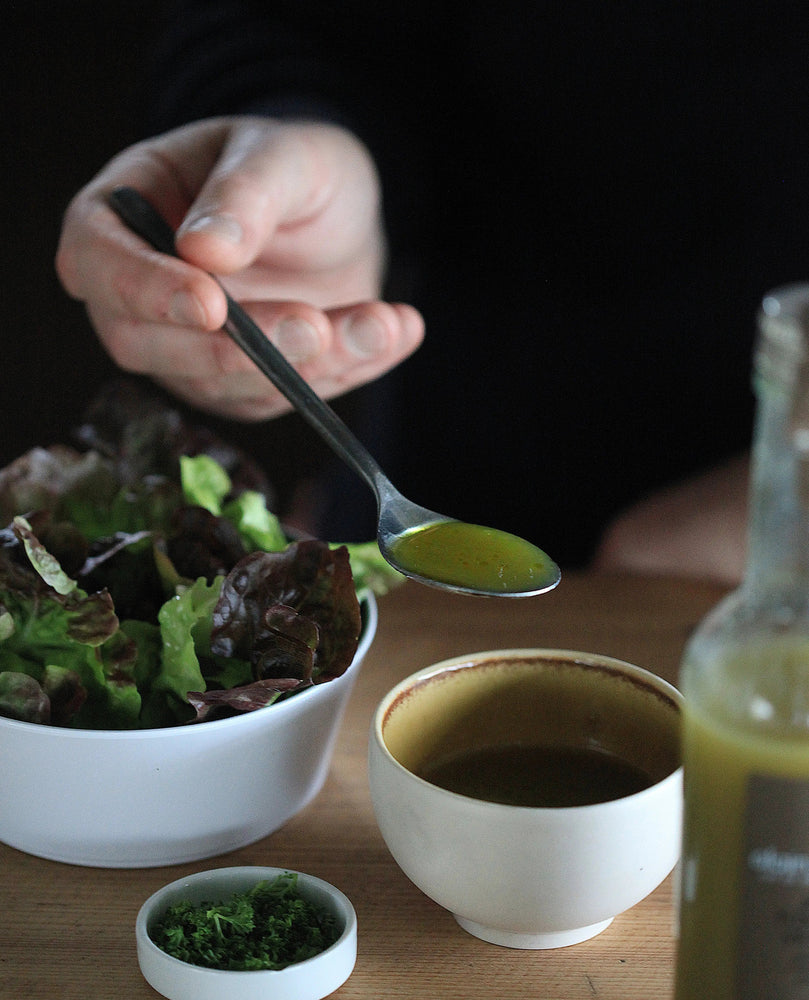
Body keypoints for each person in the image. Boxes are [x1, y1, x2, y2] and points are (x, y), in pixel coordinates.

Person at [55, 2, 809, 583]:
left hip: (758, 579)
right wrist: (307, 135)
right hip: (437, 498)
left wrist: (785, 494)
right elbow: (280, 23)